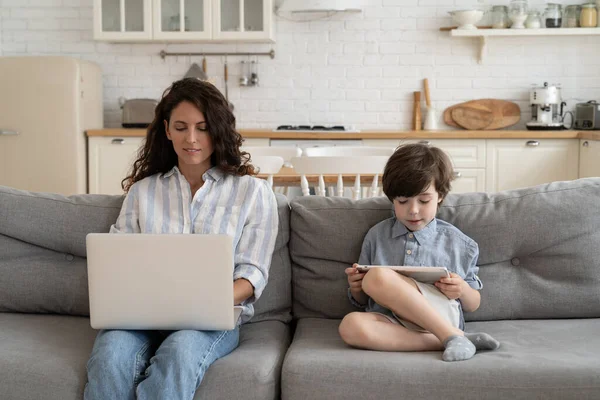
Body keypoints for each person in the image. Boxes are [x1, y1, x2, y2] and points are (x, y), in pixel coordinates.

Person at [84, 78, 278, 399]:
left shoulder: (252, 193)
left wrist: (203, 305)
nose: (192, 139)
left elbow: (251, 275)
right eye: (181, 127)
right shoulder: (142, 192)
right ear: (167, 129)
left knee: (179, 352)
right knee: (109, 357)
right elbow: (117, 264)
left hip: (208, 321)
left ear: (218, 130)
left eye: (203, 128)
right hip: (141, 316)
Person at [338, 143, 499, 362]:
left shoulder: (459, 243)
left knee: (378, 276)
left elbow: (473, 304)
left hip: (440, 315)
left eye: (424, 200)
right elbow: (362, 299)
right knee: (350, 326)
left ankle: (448, 333)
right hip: (392, 322)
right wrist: (357, 287)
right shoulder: (376, 236)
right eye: (403, 201)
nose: (413, 210)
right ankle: (456, 339)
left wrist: (461, 289)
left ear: (440, 195)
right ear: (392, 199)